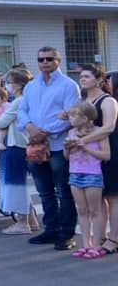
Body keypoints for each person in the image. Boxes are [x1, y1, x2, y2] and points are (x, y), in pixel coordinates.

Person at [19, 47, 81, 251]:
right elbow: (22, 110)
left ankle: (67, 234)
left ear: (58, 60)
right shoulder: (31, 85)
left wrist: (45, 131)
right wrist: (29, 127)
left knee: (64, 192)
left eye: (49, 59)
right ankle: (51, 230)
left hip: (57, 145)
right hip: (36, 145)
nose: (44, 62)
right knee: (44, 191)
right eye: (41, 59)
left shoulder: (69, 85)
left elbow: (71, 115)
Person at [69, 65, 118, 255]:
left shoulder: (108, 101)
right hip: (88, 158)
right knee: (99, 200)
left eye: (87, 76)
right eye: (80, 76)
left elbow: (108, 128)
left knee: (113, 197)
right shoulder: (82, 100)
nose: (82, 79)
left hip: (109, 149)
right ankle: (99, 238)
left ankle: (114, 238)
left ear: (98, 79)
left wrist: (82, 141)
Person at [0, 68, 38, 234]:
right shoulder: (31, 99)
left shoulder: (19, 101)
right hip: (25, 145)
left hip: (16, 145)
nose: (7, 86)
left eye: (9, 83)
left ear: (19, 84)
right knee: (20, 184)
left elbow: (0, 123)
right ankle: (31, 220)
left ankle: (22, 222)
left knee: (14, 185)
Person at [64, 102, 110, 258]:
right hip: (75, 173)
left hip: (93, 174)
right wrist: (68, 147)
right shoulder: (71, 132)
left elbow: (106, 155)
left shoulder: (99, 132)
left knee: (94, 211)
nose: (70, 118)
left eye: (73, 115)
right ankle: (85, 243)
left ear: (85, 118)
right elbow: (66, 157)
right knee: (82, 210)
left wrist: (85, 146)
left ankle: (97, 245)